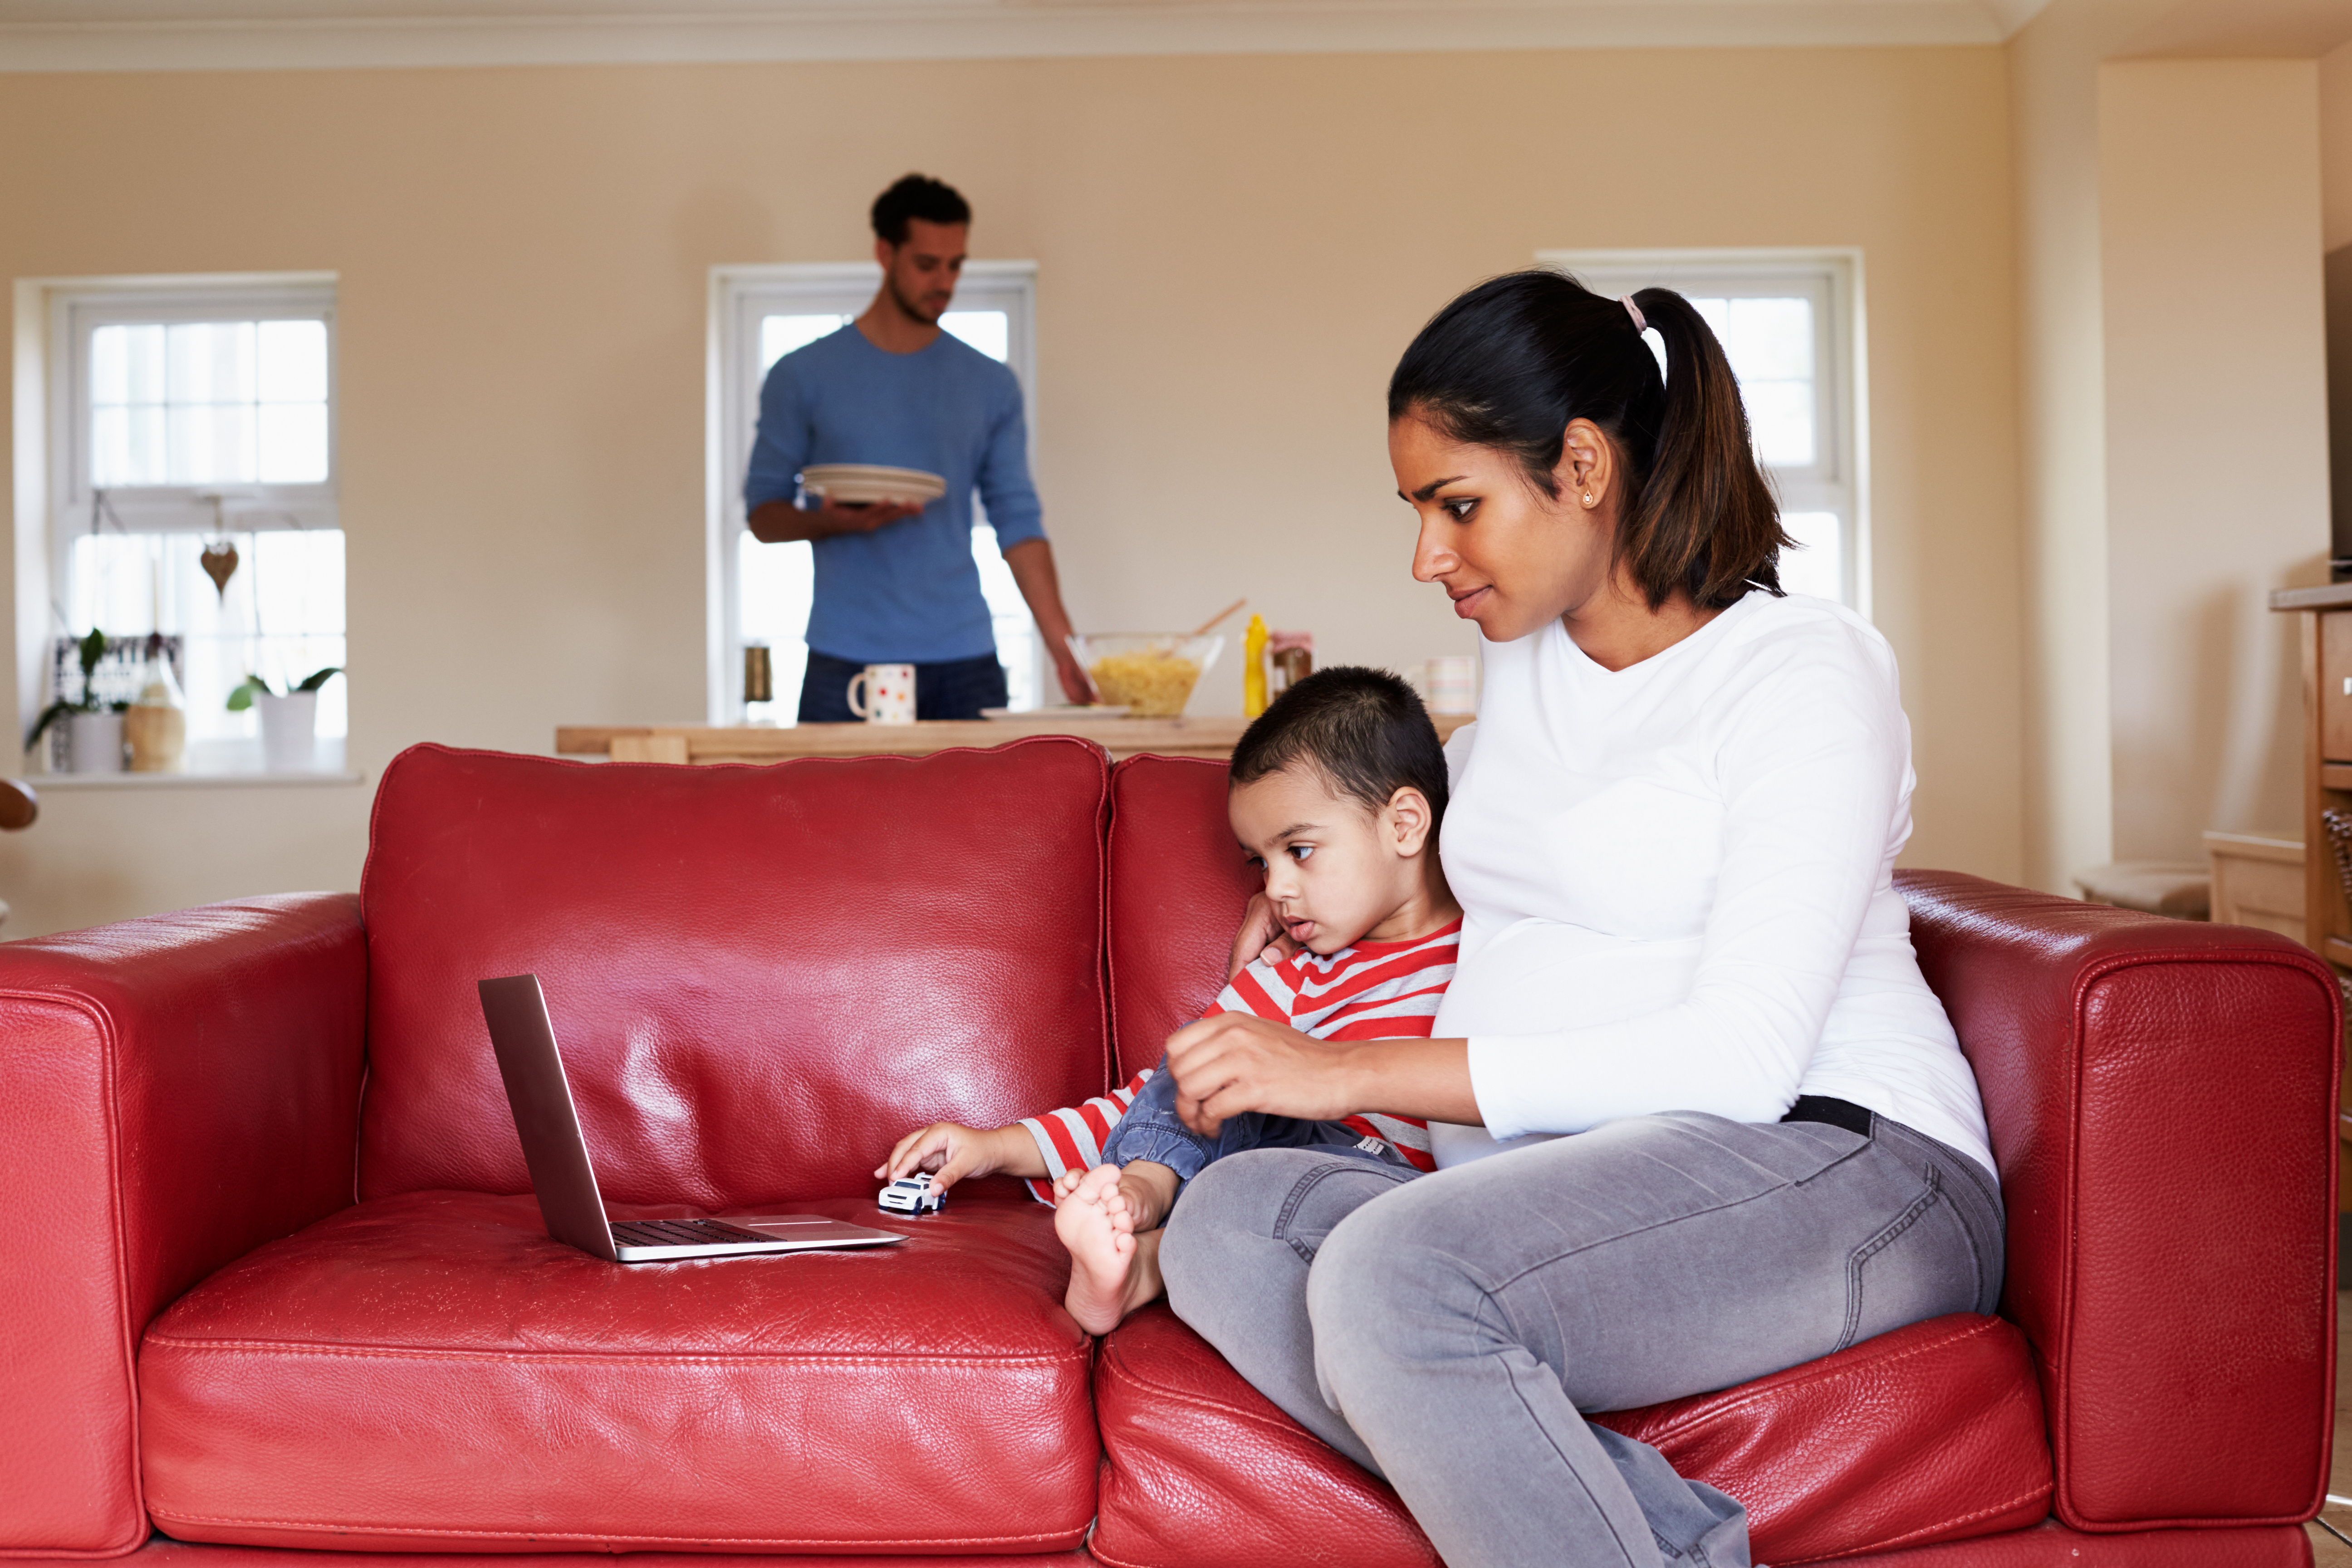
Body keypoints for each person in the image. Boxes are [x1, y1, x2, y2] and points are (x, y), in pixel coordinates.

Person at [1149, 271, 2003, 1568]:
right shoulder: (1525, 662)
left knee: (1392, 1282)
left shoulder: (1802, 672)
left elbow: (1741, 1059)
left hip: (1842, 1162)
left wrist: (1348, 1071)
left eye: (1458, 505)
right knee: (1228, 1223)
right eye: (1418, 513)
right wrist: (1310, 903)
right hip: (1569, 1194)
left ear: (1586, 465)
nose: (1427, 556)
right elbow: (1456, 860)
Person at [874, 666, 1461, 1335]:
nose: (1278, 890)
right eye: (1261, 863)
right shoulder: (1291, 977)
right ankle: (1137, 1219)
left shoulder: (1493, 951)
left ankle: (1150, 1241)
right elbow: (1154, 1097)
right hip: (1261, 1203)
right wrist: (995, 1148)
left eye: (1300, 851)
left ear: (1406, 824)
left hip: (1396, 1209)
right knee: (1203, 1065)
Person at [743, 173, 1091, 720]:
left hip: (966, 658)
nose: (945, 282)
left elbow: (1019, 520)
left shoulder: (990, 384)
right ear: (886, 253)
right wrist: (834, 522)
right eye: (928, 265)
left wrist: (1064, 646)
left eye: (956, 265)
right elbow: (763, 516)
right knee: (836, 810)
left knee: (982, 811)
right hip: (845, 658)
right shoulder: (802, 375)